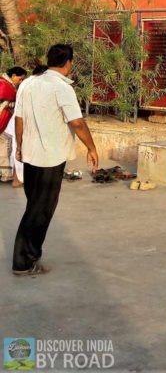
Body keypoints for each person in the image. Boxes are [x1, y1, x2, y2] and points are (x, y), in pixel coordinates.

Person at [12, 44, 98, 276]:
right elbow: (77, 122)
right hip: (50, 158)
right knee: (40, 211)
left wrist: (19, 147)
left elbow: (19, 118)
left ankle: (29, 256)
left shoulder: (29, 83)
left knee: (34, 206)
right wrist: (91, 148)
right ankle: (24, 261)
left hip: (30, 155)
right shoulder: (61, 88)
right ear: (68, 62)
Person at [0, 66, 27, 183]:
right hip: (2, 123)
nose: (20, 82)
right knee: (4, 146)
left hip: (4, 122)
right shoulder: (6, 86)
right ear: (13, 76)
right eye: (20, 79)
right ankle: (5, 174)